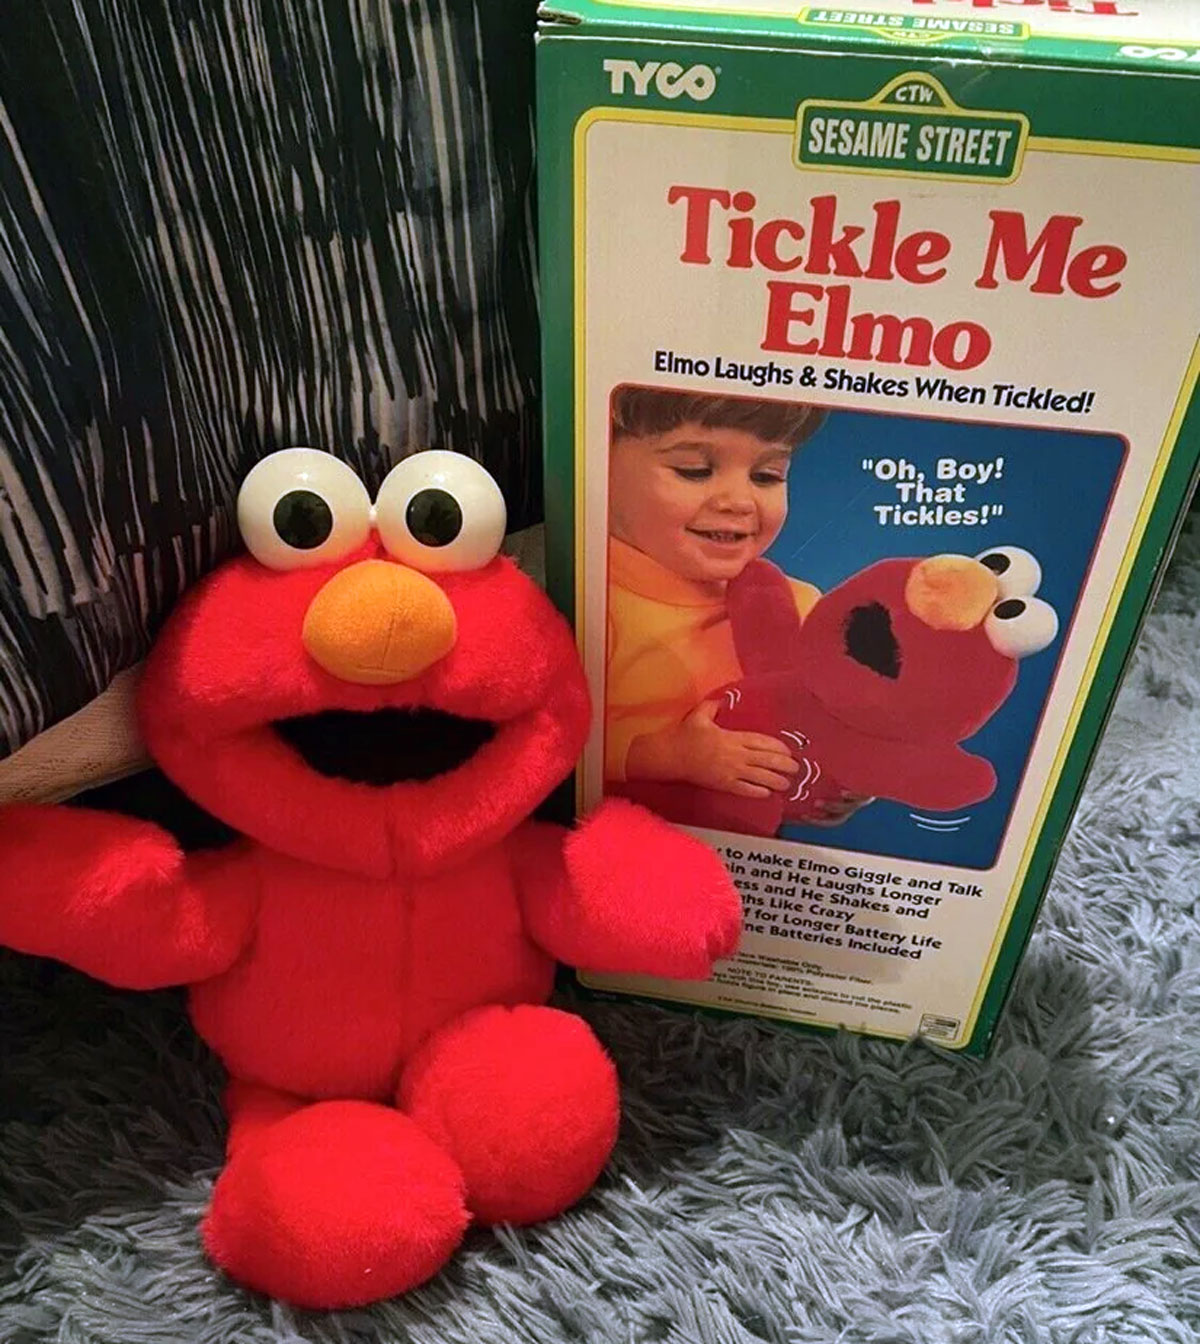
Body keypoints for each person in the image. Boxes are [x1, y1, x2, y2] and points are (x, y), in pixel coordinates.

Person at [605, 386, 825, 807]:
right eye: (694, 470)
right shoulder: (591, 600)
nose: (739, 501)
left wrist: (836, 781)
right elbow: (550, 744)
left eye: (767, 476)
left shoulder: (800, 604)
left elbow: (840, 725)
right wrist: (664, 756)